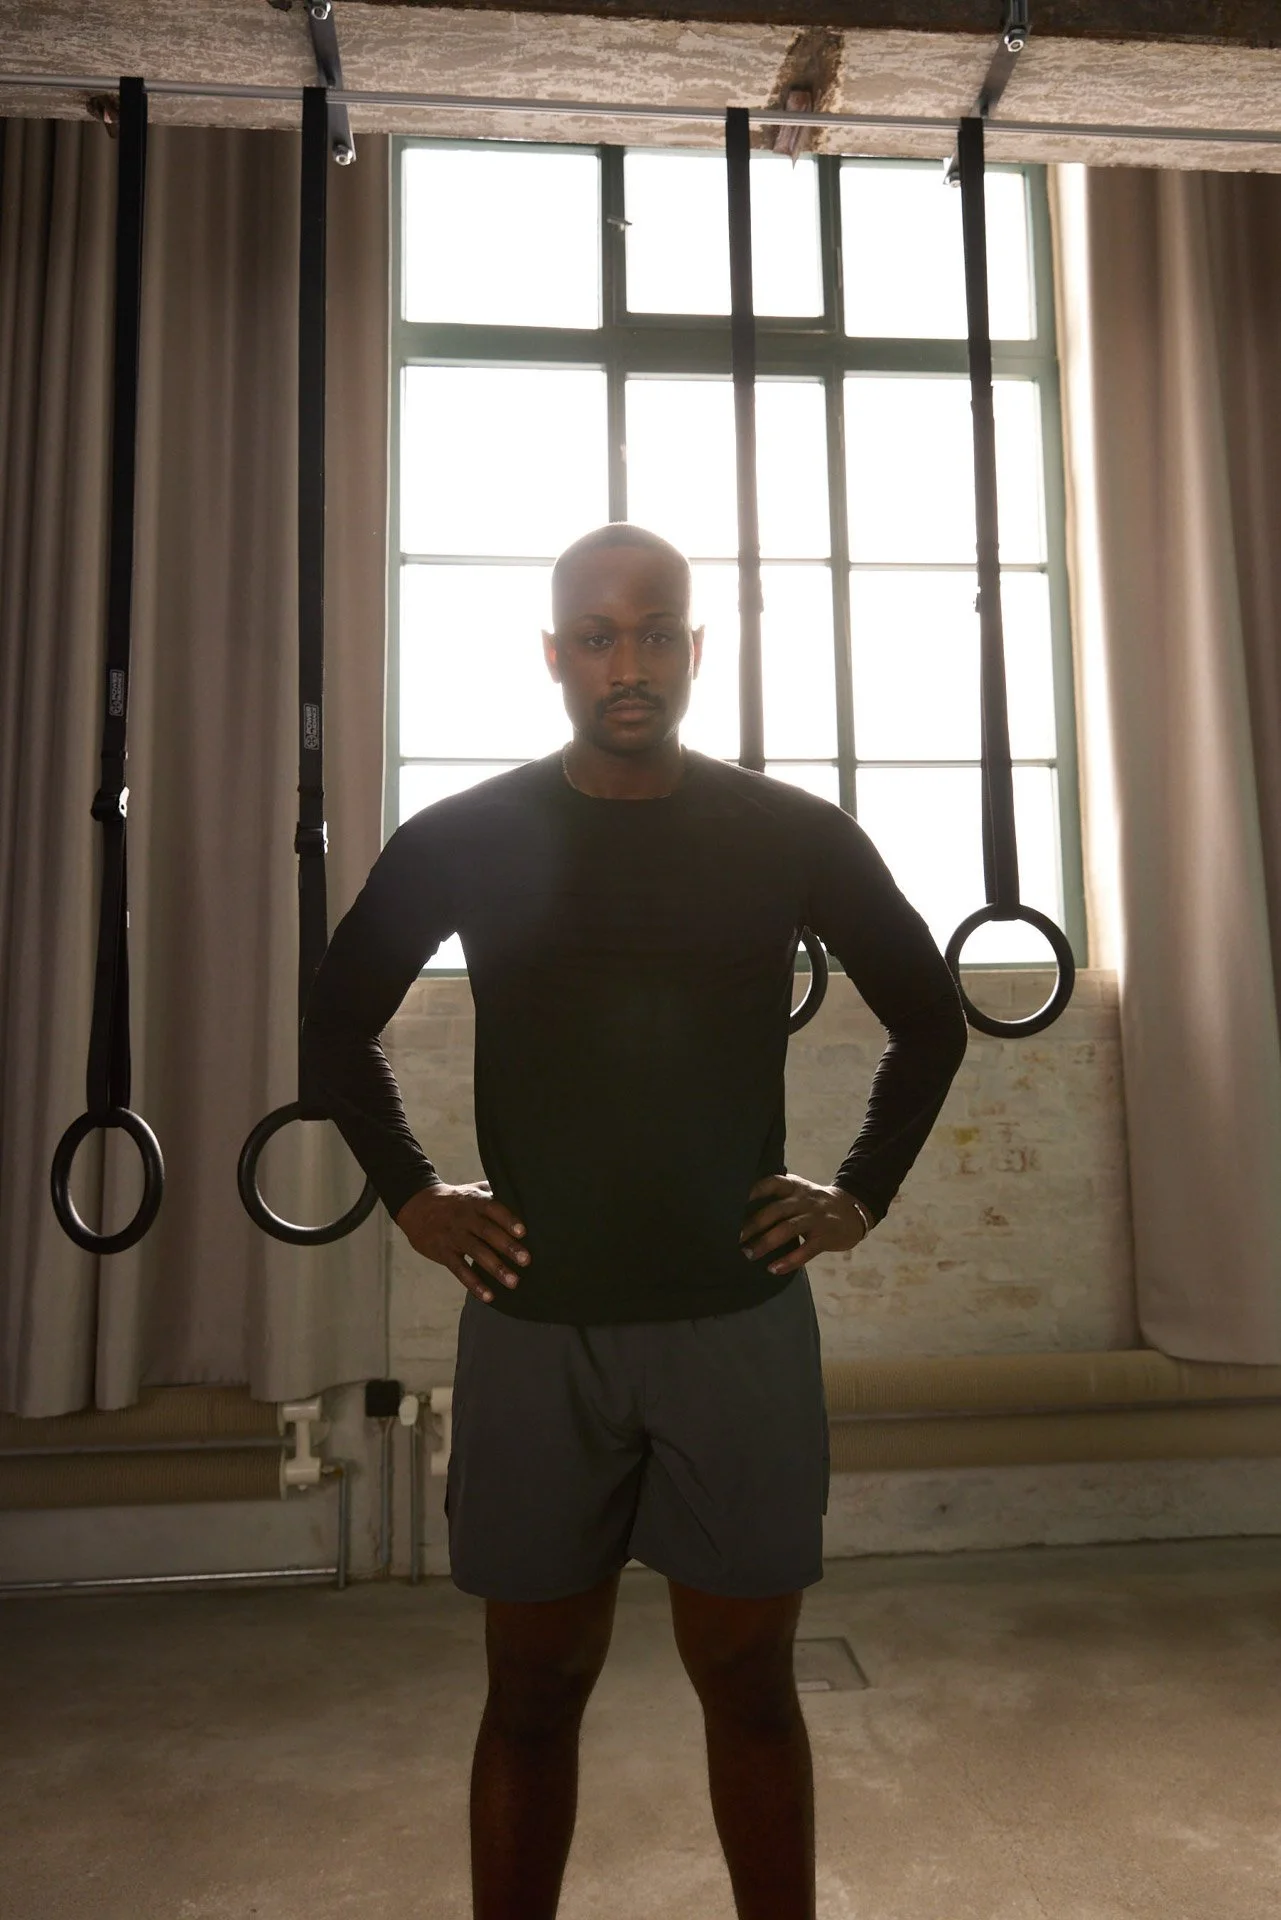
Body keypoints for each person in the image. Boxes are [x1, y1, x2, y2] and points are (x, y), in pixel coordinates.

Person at [301, 523, 968, 1920]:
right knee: (533, 1694)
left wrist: (859, 1195)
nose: (629, 663)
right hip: (539, 1327)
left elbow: (927, 1018)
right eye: (598, 637)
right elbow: (331, 1028)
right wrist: (413, 1195)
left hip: (736, 1324)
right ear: (553, 655)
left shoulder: (789, 835)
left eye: (656, 632)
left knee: (748, 1684)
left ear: (695, 650)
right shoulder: (468, 838)